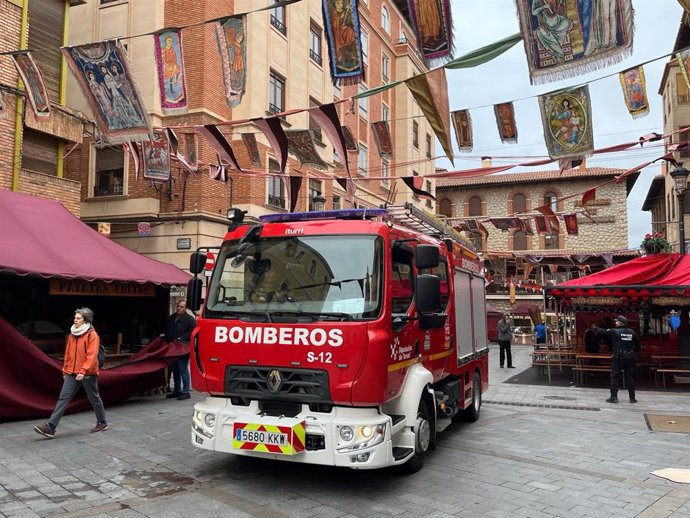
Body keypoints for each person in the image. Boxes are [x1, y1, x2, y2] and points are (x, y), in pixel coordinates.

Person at [34, 308, 108, 439]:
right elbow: (68, 354)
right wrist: (65, 370)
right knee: (63, 398)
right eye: (75, 317)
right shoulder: (73, 333)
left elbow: (91, 356)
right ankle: (51, 427)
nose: (75, 320)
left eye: (78, 318)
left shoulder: (92, 335)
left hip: (87, 374)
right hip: (72, 373)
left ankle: (102, 422)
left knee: (94, 398)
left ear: (85, 320)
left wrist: (83, 371)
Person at [591, 315, 640, 404]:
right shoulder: (632, 332)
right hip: (630, 358)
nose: (615, 322)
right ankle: (632, 398)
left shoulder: (615, 331)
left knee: (615, 377)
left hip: (618, 358)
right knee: (630, 377)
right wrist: (633, 352)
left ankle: (614, 397)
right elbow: (637, 345)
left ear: (621, 323)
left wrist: (594, 327)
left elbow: (603, 331)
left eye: (617, 321)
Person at [165, 300, 196, 400]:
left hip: (183, 348)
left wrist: (181, 338)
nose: (179, 308)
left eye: (182, 307)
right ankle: (177, 390)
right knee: (175, 370)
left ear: (185, 308)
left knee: (183, 369)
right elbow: (168, 329)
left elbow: (193, 331)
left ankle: (186, 391)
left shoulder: (190, 319)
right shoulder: (172, 317)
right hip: (172, 347)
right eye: (178, 306)